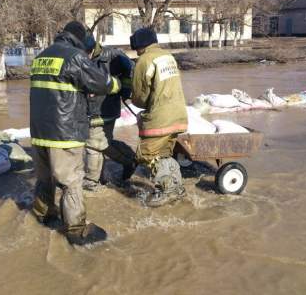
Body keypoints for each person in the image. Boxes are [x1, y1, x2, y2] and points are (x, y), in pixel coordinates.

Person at [30, 21, 121, 245]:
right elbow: (101, 82)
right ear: (80, 39)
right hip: (65, 132)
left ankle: (44, 215)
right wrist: (118, 85)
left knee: (44, 178)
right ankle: (76, 230)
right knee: (71, 181)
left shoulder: (41, 56)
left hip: (39, 131)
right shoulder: (74, 57)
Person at [129, 27, 188, 207]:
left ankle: (168, 189)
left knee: (146, 154)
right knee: (163, 154)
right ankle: (177, 188)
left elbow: (139, 97)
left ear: (139, 45)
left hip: (160, 118)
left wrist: (136, 102)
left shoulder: (144, 60)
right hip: (179, 115)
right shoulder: (167, 56)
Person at [82, 34, 136, 190]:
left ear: (92, 48)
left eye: (84, 52)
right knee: (101, 141)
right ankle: (127, 161)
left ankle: (93, 180)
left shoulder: (113, 55)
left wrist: (125, 89)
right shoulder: (79, 57)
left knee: (93, 143)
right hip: (88, 109)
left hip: (107, 107)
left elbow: (131, 69)